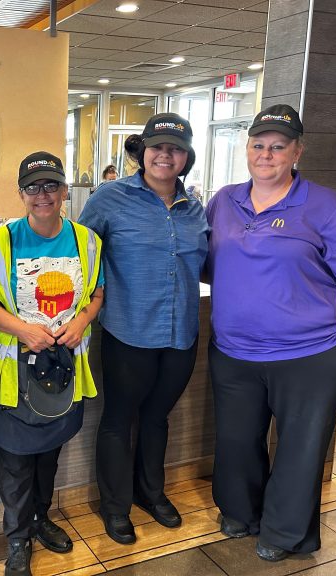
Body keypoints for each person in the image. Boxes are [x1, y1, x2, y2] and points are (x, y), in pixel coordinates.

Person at [205, 104, 336, 561]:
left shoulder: (327, 207)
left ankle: (283, 534)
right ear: (247, 149)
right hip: (234, 352)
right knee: (237, 442)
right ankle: (240, 512)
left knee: (300, 451)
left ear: (297, 151)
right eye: (258, 145)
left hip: (308, 355)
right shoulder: (225, 201)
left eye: (278, 146)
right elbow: (208, 262)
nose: (266, 154)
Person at [78, 113, 209, 544]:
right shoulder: (110, 198)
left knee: (157, 417)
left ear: (186, 156)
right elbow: (81, 257)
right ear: (143, 152)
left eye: (175, 148)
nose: (165, 155)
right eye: (157, 147)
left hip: (181, 335)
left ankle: (150, 492)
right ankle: (115, 506)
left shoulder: (195, 209)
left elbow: (208, 265)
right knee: (118, 419)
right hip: (128, 332)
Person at [0, 151, 104, 576]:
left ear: (65, 191)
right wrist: (23, 330)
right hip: (13, 371)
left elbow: (97, 294)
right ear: (21, 194)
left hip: (62, 369)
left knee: (49, 453)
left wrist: (82, 321)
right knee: (15, 461)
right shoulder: (0, 243)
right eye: (33, 187)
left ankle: (40, 518)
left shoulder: (87, 241)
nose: (42, 194)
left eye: (50, 185)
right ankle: (17, 538)